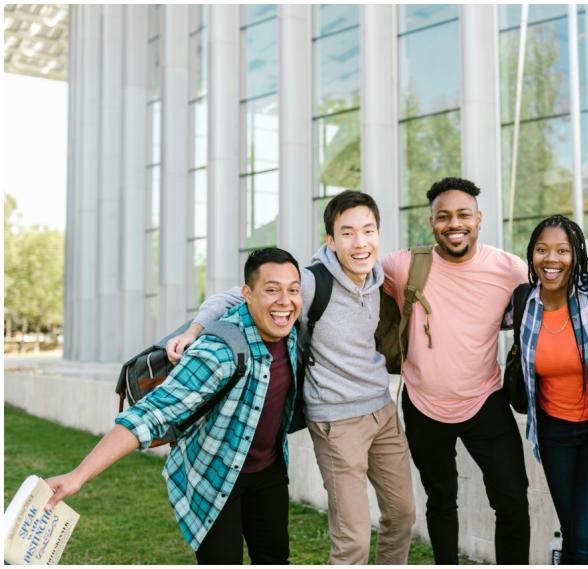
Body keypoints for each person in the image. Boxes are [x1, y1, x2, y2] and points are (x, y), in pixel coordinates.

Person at [167, 191, 416, 565]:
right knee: (354, 540)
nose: (360, 242)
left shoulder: (379, 280)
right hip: (336, 421)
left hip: (382, 412)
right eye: (347, 233)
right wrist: (194, 330)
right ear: (330, 241)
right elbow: (236, 297)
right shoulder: (312, 283)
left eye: (368, 231)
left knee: (402, 515)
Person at [45, 247, 304, 564]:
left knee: (275, 559)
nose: (285, 301)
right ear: (247, 295)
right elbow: (152, 413)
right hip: (212, 475)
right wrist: (79, 475)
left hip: (268, 471)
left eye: (293, 290)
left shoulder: (290, 332)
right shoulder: (220, 349)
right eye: (272, 290)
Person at [381, 177, 530, 564]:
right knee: (441, 500)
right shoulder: (402, 266)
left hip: (485, 400)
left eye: (463, 214)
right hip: (422, 404)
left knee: (512, 499)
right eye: (443, 216)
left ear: (478, 219)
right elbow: (343, 276)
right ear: (432, 222)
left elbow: (557, 291)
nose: (454, 224)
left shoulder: (509, 269)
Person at [513, 214, 588, 564]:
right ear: (531, 255)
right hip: (554, 433)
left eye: (562, 250)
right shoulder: (525, 302)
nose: (552, 259)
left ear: (577, 254)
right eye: (542, 250)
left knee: (586, 538)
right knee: (573, 536)